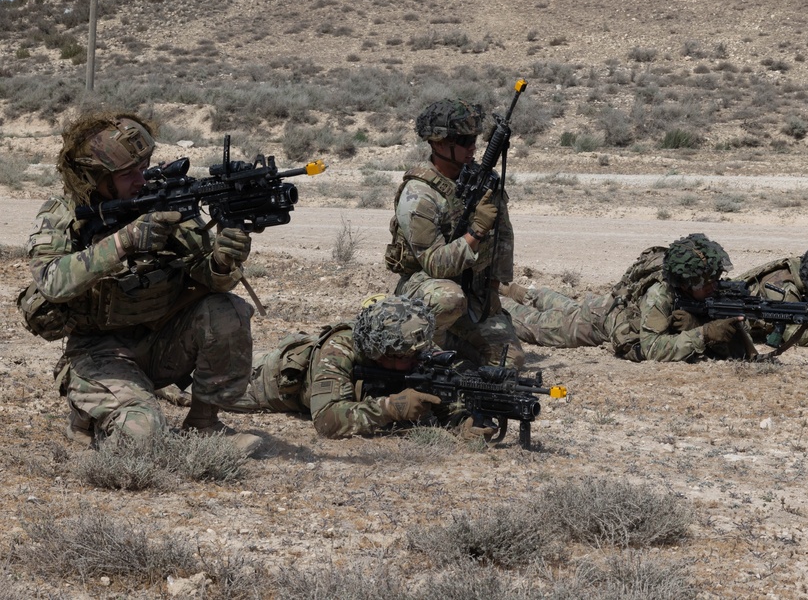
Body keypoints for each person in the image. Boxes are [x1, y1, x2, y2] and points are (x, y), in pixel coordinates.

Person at [23, 110, 260, 453]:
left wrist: (224, 259)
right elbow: (52, 281)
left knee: (227, 310)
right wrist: (125, 240)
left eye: (144, 167)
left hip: (161, 341)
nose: (141, 179)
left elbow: (210, 279)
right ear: (96, 178)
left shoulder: (160, 201)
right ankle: (89, 414)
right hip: (99, 352)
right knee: (143, 438)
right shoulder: (64, 213)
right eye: (128, 174)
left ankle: (205, 424)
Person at [221, 295, 495, 440]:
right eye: (404, 357)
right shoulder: (339, 349)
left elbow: (438, 388)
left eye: (418, 354)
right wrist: (390, 408)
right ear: (378, 352)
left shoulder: (411, 346)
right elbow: (327, 421)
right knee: (194, 386)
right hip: (254, 382)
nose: (415, 361)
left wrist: (462, 419)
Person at [384, 98, 524, 369]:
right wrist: (477, 230)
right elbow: (435, 264)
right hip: (427, 290)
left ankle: (453, 345)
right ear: (437, 143)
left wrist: (494, 287)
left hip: (471, 291)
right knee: (449, 299)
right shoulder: (419, 195)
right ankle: (427, 349)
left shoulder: (478, 179)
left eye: (474, 139)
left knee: (510, 363)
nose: (472, 147)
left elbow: (503, 239)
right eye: (463, 140)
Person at [501, 233, 746, 363]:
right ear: (688, 281)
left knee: (565, 305)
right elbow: (652, 348)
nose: (715, 286)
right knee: (531, 323)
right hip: (598, 323)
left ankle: (513, 290)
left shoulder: (685, 288)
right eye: (708, 282)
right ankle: (497, 299)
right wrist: (702, 334)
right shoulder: (659, 295)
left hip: (604, 307)